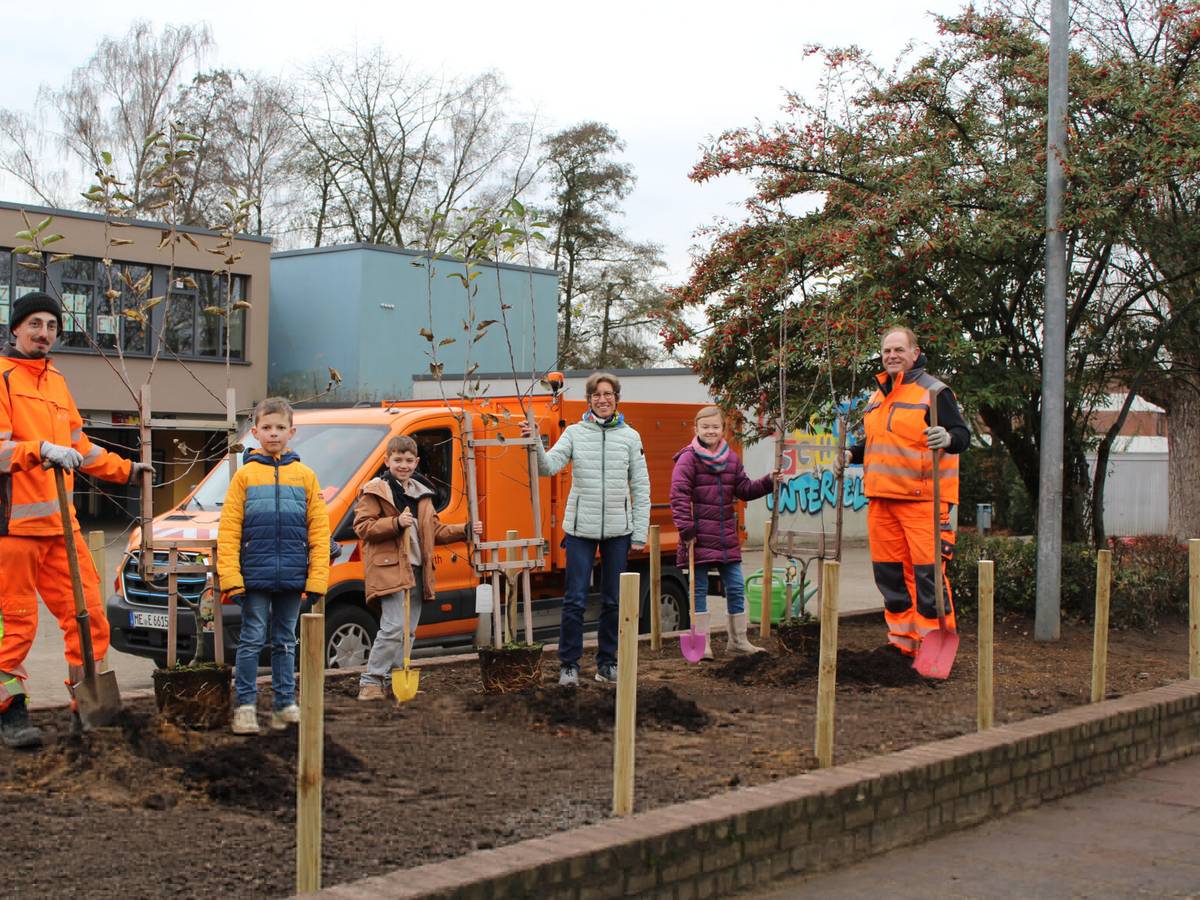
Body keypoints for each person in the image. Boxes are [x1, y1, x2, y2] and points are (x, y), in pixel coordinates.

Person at [0, 291, 153, 748]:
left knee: (86, 619)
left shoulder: (57, 382)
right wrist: (38, 451)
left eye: (50, 326)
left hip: (60, 529)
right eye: (34, 325)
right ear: (15, 330)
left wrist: (126, 469)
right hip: (13, 530)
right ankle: (9, 711)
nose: (43, 333)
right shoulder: (2, 379)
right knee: (16, 625)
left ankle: (84, 711)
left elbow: (80, 447)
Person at [838, 326, 969, 658]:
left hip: (923, 501)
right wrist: (852, 453)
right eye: (886, 351)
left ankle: (935, 649)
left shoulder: (935, 392)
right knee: (891, 577)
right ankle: (902, 643)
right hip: (881, 500)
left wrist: (949, 439)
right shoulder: (877, 397)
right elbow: (879, 442)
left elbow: (961, 434)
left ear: (915, 353)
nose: (892, 356)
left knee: (926, 578)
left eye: (898, 349)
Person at [521, 372, 651, 687]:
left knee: (612, 600)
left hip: (619, 531)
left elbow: (641, 486)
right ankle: (569, 666)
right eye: (597, 395)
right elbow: (547, 467)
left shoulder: (630, 437)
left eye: (608, 394)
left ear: (616, 398)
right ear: (589, 399)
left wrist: (639, 532)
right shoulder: (575, 433)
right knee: (575, 598)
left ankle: (607, 664)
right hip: (580, 529)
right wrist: (535, 442)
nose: (603, 399)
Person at [218, 396, 330, 734]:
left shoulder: (306, 477)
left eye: (280, 427)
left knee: (285, 641)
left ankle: (285, 705)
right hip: (254, 575)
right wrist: (231, 578)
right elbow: (229, 530)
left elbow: (319, 530)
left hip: (293, 576)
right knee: (252, 639)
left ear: (292, 431)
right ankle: (246, 708)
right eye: (266, 427)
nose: (273, 433)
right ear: (254, 432)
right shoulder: (244, 477)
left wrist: (316, 579)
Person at [354, 434, 481, 701]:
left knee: (408, 630)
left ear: (417, 462)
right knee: (392, 627)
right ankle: (370, 680)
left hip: (417, 569)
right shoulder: (375, 490)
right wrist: (395, 523)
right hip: (389, 568)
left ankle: (395, 679)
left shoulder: (422, 493)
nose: (403, 465)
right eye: (398, 459)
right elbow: (363, 527)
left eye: (409, 460)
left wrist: (465, 530)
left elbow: (434, 530)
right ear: (387, 460)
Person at [669, 406, 779, 658]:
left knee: (736, 587)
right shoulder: (688, 458)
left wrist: (767, 482)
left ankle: (738, 640)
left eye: (715, 427)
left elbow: (743, 488)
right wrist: (686, 529)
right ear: (696, 429)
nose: (710, 431)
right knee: (698, 589)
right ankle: (702, 642)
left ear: (723, 430)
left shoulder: (731, 459)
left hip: (725, 535)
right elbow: (678, 495)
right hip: (698, 537)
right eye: (705, 426)